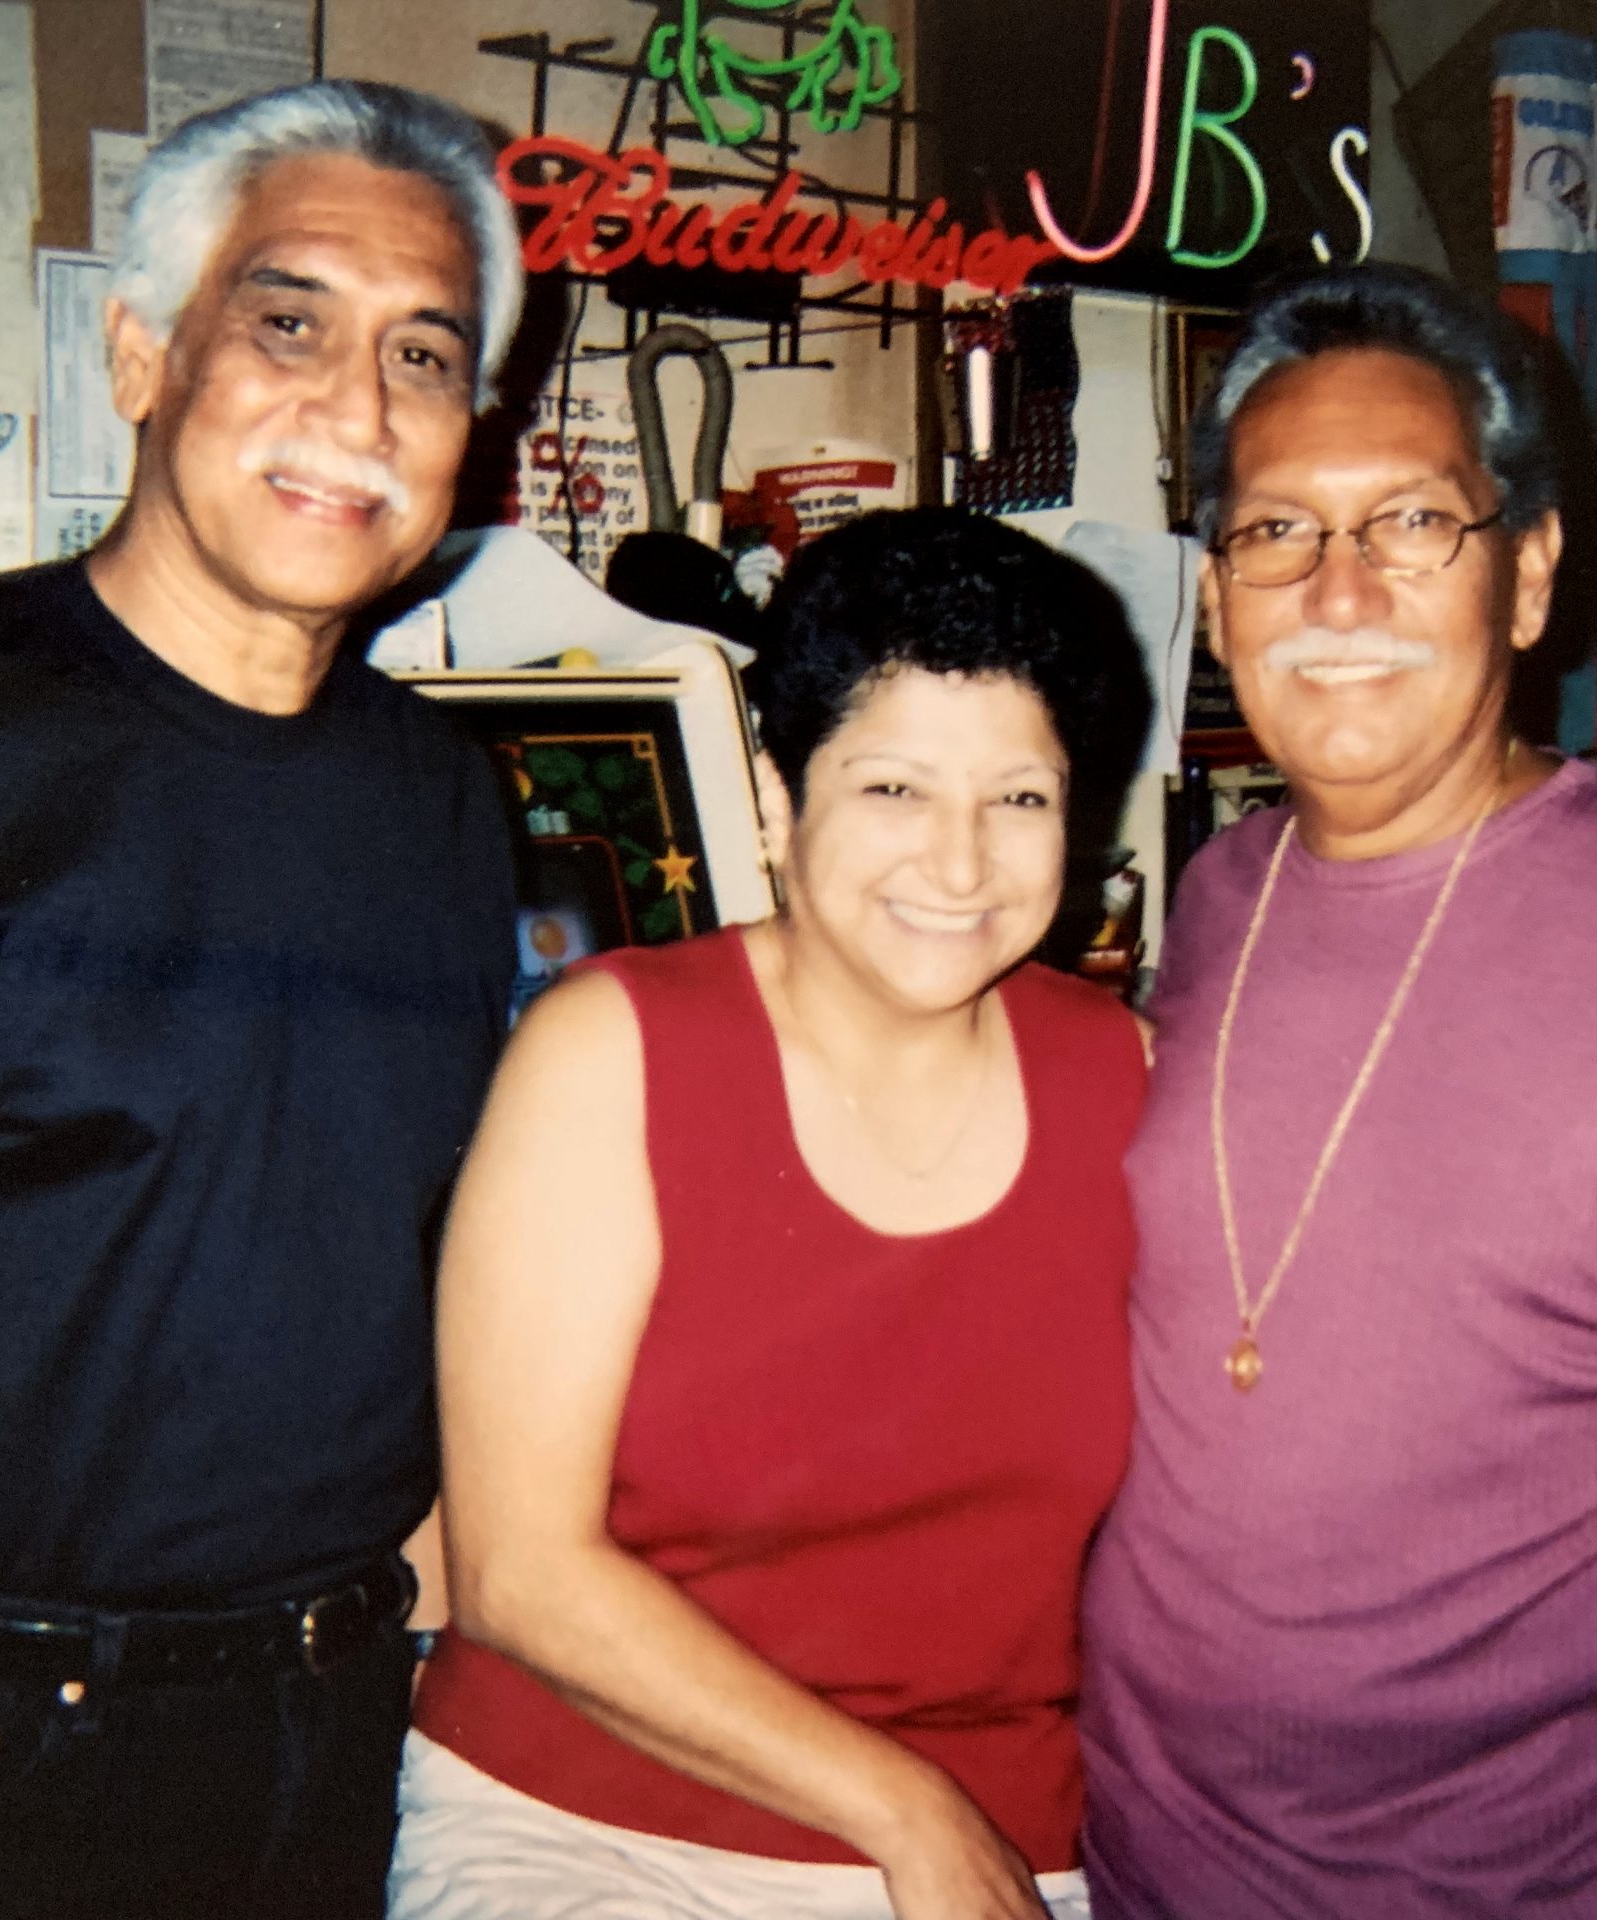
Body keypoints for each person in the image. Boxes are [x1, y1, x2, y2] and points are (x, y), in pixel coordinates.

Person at [0, 81, 525, 1920]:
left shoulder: (439, 801)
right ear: (141, 356)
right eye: (288, 323)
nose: (359, 411)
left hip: (332, 1722)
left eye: (424, 355)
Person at [1079, 264, 1597, 1919]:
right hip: (1146, 1866)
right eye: (1276, 532)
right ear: (1218, 595)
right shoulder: (1221, 896)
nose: (1337, 591)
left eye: (1411, 524)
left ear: (1527, 577)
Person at [390, 507, 1151, 1920]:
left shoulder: (1131, 1080)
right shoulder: (612, 1055)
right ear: (774, 800)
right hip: (593, 1825)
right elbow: (518, 1573)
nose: (961, 865)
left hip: (1019, 1843)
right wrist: (907, 1813)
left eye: (1020, 799)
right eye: (893, 788)